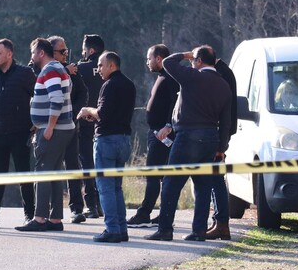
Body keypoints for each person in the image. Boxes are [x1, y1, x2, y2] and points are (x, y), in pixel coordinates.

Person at [146, 45, 233, 242]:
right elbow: (226, 122)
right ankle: (198, 231)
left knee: (171, 183)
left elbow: (167, 62)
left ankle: (165, 229)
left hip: (188, 134)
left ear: (199, 61)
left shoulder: (193, 76)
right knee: (202, 186)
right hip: (211, 136)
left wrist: (186, 55)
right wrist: (221, 148)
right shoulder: (223, 85)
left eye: (194, 60)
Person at [0, 39, 37, 229]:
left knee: (23, 174)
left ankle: (30, 215)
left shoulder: (25, 73)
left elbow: (38, 95)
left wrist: (34, 121)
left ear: (9, 54)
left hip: (20, 132)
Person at [15, 38, 75, 232]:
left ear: (41, 53)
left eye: (33, 53)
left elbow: (56, 100)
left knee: (43, 172)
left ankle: (40, 218)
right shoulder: (59, 69)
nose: (31, 57)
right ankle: (55, 218)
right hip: (61, 128)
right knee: (54, 172)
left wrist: (49, 126)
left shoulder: (49, 70)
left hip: (54, 131)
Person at [77, 51, 136, 243]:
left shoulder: (109, 85)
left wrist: (88, 111)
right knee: (116, 187)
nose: (99, 69)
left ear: (112, 65)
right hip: (124, 139)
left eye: (101, 65)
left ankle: (112, 229)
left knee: (105, 188)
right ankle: (121, 228)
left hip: (107, 140)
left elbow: (103, 113)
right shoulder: (129, 84)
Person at [126, 44, 179, 228]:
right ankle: (164, 213)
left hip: (162, 135)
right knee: (160, 175)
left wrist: (168, 126)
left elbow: (175, 103)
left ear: (158, 58)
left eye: (149, 58)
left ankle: (144, 213)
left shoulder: (171, 78)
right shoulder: (162, 77)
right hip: (155, 133)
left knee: (155, 174)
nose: (147, 62)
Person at [49, 36, 92, 224]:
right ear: (50, 53)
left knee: (73, 165)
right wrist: (64, 71)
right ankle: (48, 210)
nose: (66, 54)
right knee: (50, 168)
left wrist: (72, 113)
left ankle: (76, 208)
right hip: (49, 128)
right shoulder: (39, 68)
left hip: (70, 125)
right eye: (62, 52)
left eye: (67, 51)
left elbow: (83, 93)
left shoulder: (73, 70)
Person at [206, 55, 238, 240]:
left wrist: (222, 144)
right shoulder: (224, 72)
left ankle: (222, 223)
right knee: (214, 181)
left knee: (216, 181)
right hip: (220, 135)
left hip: (219, 136)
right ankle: (219, 222)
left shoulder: (222, 75)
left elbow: (225, 114)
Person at [74, 34, 105, 218]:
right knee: (103, 165)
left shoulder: (80, 68)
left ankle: (91, 205)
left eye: (84, 49)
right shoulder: (111, 66)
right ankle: (102, 204)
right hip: (104, 122)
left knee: (86, 164)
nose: (82, 53)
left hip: (85, 122)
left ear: (91, 50)